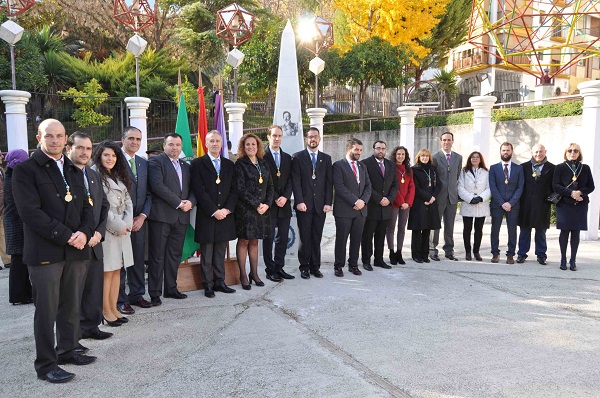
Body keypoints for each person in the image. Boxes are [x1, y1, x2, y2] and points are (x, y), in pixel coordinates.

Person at [13, 119, 96, 383]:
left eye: (60, 136)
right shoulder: (26, 170)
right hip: (45, 252)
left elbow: (86, 206)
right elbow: (29, 212)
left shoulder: (72, 168)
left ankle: (68, 350)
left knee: (71, 304)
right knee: (47, 311)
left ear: (65, 139)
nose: (56, 140)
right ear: (39, 137)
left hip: (75, 249)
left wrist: (84, 232)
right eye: (50, 136)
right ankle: (46, 365)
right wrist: (66, 236)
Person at [66, 133, 112, 344]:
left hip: (95, 242)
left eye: (88, 148)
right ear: (69, 148)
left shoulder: (93, 175)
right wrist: (85, 235)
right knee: (74, 294)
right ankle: (73, 337)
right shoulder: (65, 174)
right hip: (76, 243)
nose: (85, 153)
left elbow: (103, 206)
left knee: (94, 288)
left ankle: (91, 326)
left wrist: (99, 232)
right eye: (80, 148)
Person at [147, 133, 196, 305]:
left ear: (181, 147)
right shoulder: (155, 162)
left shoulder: (186, 166)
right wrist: (178, 203)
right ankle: (154, 292)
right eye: (171, 144)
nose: (174, 148)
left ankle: (171, 289)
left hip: (181, 218)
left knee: (174, 256)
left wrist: (190, 202)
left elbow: (192, 189)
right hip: (162, 217)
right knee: (157, 256)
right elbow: (157, 186)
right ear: (164, 145)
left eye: (177, 144)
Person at [190, 131, 238, 297]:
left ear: (222, 143)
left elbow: (234, 190)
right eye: (212, 141)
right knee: (207, 253)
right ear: (206, 143)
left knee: (220, 252)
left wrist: (226, 210)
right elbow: (199, 191)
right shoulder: (197, 164)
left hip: (225, 215)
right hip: (207, 215)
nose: (215, 144)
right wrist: (213, 211)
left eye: (218, 141)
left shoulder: (229, 164)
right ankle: (207, 285)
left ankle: (220, 282)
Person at [91, 140, 134, 327]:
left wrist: (127, 224)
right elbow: (101, 206)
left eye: (114, 155)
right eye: (107, 155)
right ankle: (105, 311)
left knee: (117, 270)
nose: (111, 158)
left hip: (122, 229)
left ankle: (114, 308)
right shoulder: (94, 174)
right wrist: (118, 225)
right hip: (108, 230)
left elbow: (129, 202)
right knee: (107, 272)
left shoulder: (116, 174)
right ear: (99, 155)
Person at [118, 126, 153, 315]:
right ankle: (120, 299)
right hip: (121, 222)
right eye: (131, 138)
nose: (135, 142)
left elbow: (149, 193)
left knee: (138, 259)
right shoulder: (114, 161)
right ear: (122, 140)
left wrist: (143, 216)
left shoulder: (143, 163)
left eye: (138, 139)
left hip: (139, 221)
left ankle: (137, 294)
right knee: (121, 261)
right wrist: (125, 220)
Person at [291, 127, 333, 279]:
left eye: (315, 137)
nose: (313, 139)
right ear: (306, 139)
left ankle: (316, 267)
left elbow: (329, 183)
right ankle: (304, 267)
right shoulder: (297, 157)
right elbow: (295, 182)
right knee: (305, 238)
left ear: (320, 139)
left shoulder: (326, 159)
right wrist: (299, 201)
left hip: (321, 206)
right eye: (310, 137)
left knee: (317, 237)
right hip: (304, 205)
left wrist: (328, 202)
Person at [234, 133, 274, 289]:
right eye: (247, 145)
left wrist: (267, 204)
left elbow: (270, 186)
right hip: (246, 210)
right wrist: (257, 204)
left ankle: (254, 274)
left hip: (262, 211)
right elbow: (240, 189)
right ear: (243, 147)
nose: (251, 147)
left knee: (255, 241)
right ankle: (243, 275)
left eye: (253, 144)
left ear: (258, 146)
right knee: (244, 241)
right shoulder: (240, 164)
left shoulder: (263, 163)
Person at [333, 138, 371, 277]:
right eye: (356, 150)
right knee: (341, 239)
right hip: (344, 210)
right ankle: (338, 266)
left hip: (360, 211)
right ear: (349, 149)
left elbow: (368, 186)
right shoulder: (338, 165)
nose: (359, 153)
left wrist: (363, 201)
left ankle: (353, 265)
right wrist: (355, 201)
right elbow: (340, 187)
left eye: (360, 150)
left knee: (356, 239)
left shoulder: (362, 166)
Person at [553, 143, 595, 271]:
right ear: (566, 153)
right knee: (564, 231)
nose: (573, 152)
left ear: (579, 153)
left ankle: (573, 260)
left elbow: (591, 186)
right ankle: (563, 259)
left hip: (580, 204)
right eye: (570, 150)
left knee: (576, 232)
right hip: (564, 204)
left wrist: (580, 193)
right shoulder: (559, 167)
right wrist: (571, 193)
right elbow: (556, 186)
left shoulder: (585, 168)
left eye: (575, 150)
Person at [262, 125, 295, 281]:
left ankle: (279, 267)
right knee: (268, 239)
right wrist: (275, 197)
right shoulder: (262, 156)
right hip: (270, 204)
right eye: (274, 135)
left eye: (280, 136)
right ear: (268, 137)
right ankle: (270, 270)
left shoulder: (288, 157)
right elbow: (264, 181)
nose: (277, 138)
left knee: (283, 237)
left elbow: (291, 180)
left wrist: (285, 197)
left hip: (284, 205)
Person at [361, 140, 398, 270]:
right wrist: (379, 199)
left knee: (381, 235)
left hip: (386, 207)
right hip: (372, 206)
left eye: (383, 148)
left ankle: (379, 259)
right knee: (367, 236)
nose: (380, 151)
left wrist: (389, 199)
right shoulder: (365, 164)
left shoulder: (391, 165)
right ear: (373, 149)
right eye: (378, 148)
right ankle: (366, 260)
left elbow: (395, 185)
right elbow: (366, 185)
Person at [517, 144, 555, 265]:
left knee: (541, 232)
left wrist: (551, 199)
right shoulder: (523, 167)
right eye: (536, 152)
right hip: (526, 205)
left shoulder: (552, 168)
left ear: (545, 151)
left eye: (541, 152)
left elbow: (555, 186)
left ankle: (541, 255)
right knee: (524, 231)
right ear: (531, 152)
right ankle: (522, 254)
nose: (539, 154)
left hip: (542, 205)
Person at [4, 149, 32, 304]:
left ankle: (25, 293)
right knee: (18, 261)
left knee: (21, 260)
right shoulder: (14, 176)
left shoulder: (12, 174)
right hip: (16, 224)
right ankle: (18, 295)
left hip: (14, 222)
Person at [488, 142, 524, 264]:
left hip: (513, 205)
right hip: (497, 204)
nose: (506, 152)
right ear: (500, 152)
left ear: (512, 152)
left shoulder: (519, 168)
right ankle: (495, 253)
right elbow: (493, 187)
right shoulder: (493, 168)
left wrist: (511, 203)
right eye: (503, 150)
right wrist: (502, 202)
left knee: (512, 230)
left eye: (508, 150)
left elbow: (520, 187)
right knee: (495, 229)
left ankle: (510, 254)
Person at [429, 132, 463, 261]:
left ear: (452, 141)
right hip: (438, 197)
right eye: (444, 140)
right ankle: (432, 250)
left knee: (450, 225)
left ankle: (449, 250)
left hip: (452, 198)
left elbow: (457, 175)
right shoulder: (435, 157)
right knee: (435, 225)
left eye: (449, 140)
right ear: (440, 141)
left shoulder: (458, 157)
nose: (446, 142)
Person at [408, 149, 441, 263]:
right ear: (418, 157)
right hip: (419, 203)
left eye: (427, 156)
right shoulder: (414, 169)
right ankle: (416, 254)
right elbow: (415, 187)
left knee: (427, 229)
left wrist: (432, 198)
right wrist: (427, 198)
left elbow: (438, 185)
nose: (425, 158)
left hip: (431, 202)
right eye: (422, 156)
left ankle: (425, 254)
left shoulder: (433, 169)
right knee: (417, 229)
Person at [457, 151, 491, 261]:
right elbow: (460, 187)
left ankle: (476, 251)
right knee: (467, 228)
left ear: (480, 159)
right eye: (473, 157)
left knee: (478, 229)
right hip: (468, 203)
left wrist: (480, 198)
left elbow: (489, 188)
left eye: (477, 157)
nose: (475, 159)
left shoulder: (486, 172)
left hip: (481, 204)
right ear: (469, 159)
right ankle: (468, 252)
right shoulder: (464, 172)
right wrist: (470, 198)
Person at [386, 146, 415, 265]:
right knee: (391, 228)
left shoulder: (408, 170)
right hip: (394, 203)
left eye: (403, 154)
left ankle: (399, 252)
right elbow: (392, 187)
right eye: (398, 154)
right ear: (395, 155)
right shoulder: (391, 168)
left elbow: (411, 187)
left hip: (405, 205)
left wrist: (407, 202)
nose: (400, 156)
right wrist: (400, 201)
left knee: (402, 229)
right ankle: (391, 252)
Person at [0, 151, 11, 269]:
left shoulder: (2, 170)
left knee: (2, 234)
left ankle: (7, 260)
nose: (2, 156)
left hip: (3, 207)